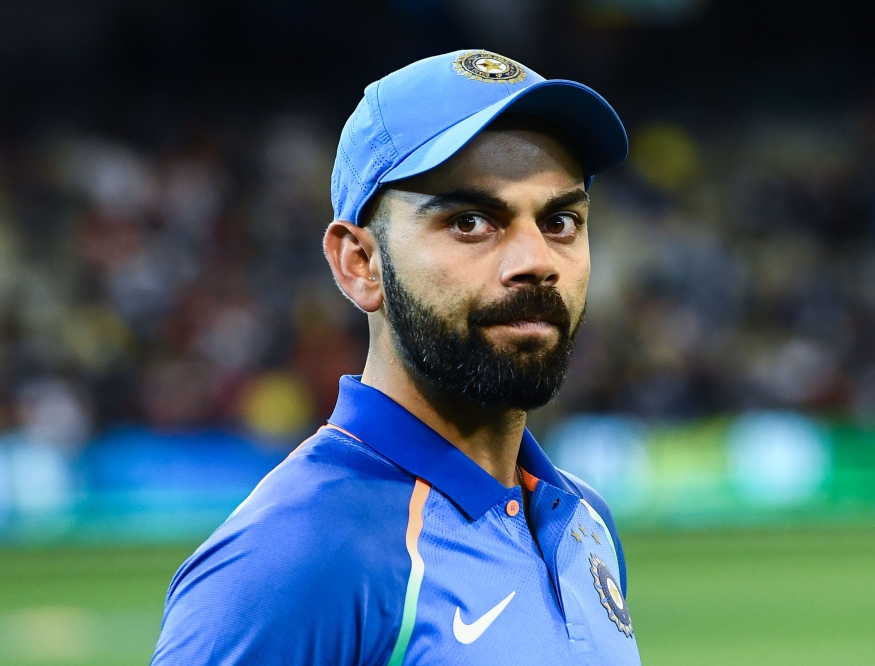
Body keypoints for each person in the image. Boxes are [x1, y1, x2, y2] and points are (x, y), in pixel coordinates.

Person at [151, 49, 637, 665]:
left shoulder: (583, 522)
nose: (537, 259)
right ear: (360, 263)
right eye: (470, 222)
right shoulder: (295, 556)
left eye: (561, 220)